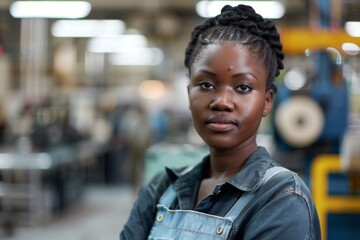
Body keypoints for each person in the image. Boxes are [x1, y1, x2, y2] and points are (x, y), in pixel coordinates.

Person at [120, 4, 321, 240]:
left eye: (243, 87)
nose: (222, 101)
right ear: (188, 94)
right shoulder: (162, 189)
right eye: (206, 85)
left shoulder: (282, 198)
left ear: (267, 102)